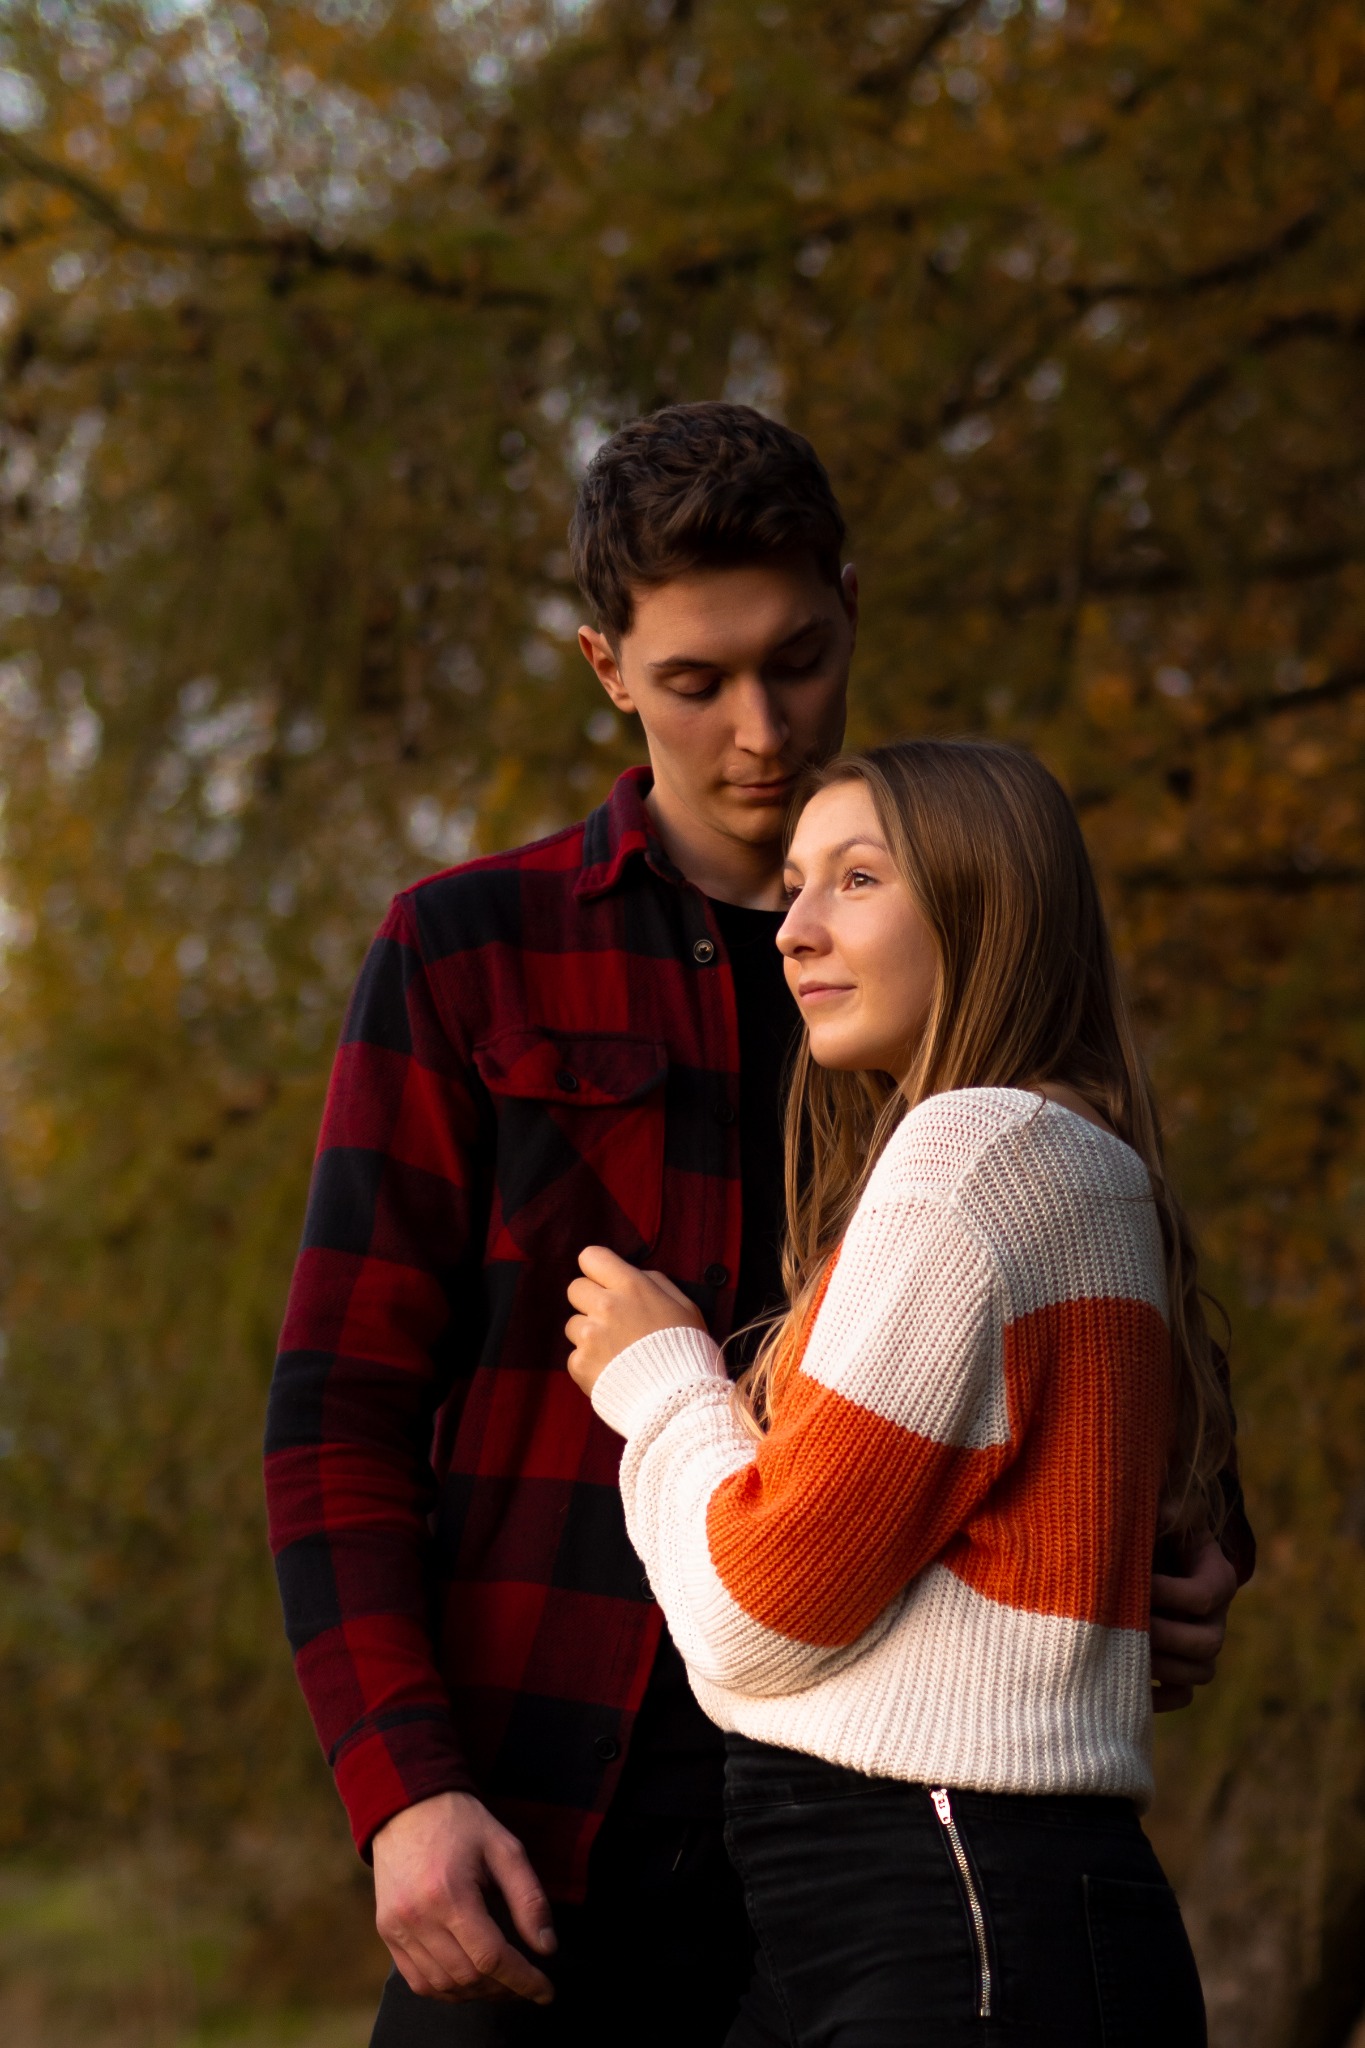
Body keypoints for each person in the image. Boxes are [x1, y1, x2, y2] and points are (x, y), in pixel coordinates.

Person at [263, 405, 1252, 2047]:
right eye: (693, 683)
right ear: (603, 666)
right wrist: (401, 1791)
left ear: (851, 607)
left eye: (796, 660)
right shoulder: (464, 953)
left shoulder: (948, 950)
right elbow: (336, 1419)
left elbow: (1123, 1295)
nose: (758, 729)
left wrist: (1198, 1535)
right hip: (542, 1838)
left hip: (884, 1849)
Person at [565, 738, 1234, 2045]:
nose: (793, 930)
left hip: (945, 1909)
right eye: (794, 884)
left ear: (987, 905)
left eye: (856, 880)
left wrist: (658, 1382)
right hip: (950, 1911)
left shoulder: (969, 1153)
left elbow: (765, 1607)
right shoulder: (1071, 1160)